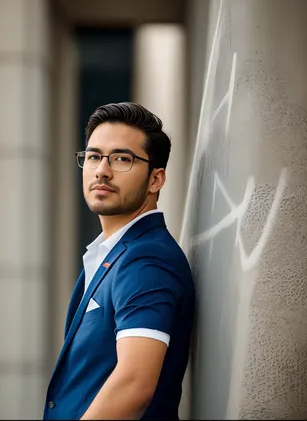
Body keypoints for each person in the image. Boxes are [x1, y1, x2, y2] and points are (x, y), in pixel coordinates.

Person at [43, 102, 195, 420]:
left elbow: (134, 384)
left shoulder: (147, 259)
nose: (102, 170)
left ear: (156, 180)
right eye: (95, 156)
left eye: (122, 159)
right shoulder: (114, 253)